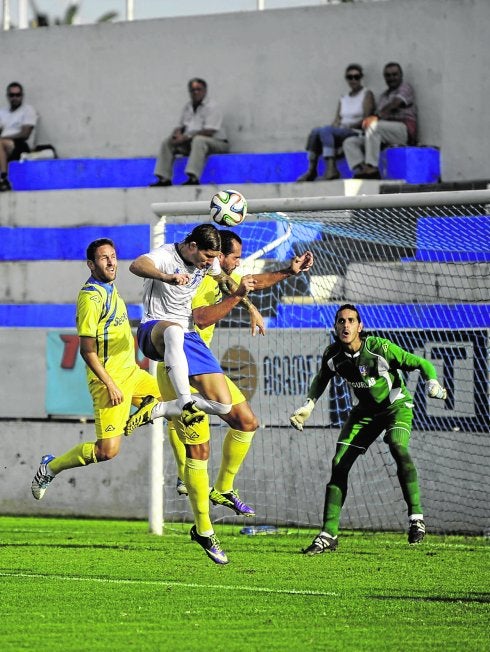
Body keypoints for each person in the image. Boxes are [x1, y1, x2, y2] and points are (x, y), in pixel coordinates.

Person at [125, 228, 313, 564]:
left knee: (240, 416)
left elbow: (245, 283)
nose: (231, 264)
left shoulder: (212, 268)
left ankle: (216, 478)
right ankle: (205, 529)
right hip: (172, 352)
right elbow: (198, 315)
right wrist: (178, 279)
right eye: (232, 257)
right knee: (200, 449)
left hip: (195, 352)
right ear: (206, 251)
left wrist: (287, 272)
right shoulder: (180, 263)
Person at [289, 304, 447, 555]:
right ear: (335, 326)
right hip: (364, 414)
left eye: (351, 320)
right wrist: (309, 404)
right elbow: (321, 378)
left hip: (396, 407)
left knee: (397, 445)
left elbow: (421, 363)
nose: (346, 325)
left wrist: (433, 382)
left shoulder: (379, 348)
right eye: (341, 321)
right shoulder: (334, 356)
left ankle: (416, 517)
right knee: (339, 463)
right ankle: (328, 534)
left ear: (360, 327)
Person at [30, 238, 163, 501]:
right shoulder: (90, 298)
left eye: (113, 256)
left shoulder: (111, 288)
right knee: (107, 451)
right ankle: (50, 467)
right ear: (91, 264)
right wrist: (111, 385)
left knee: (176, 401)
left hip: (132, 373)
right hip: (110, 381)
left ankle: (183, 477)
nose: (112, 262)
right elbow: (87, 350)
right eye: (104, 258)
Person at [297, 64, 375, 182]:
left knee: (326, 130)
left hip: (355, 131)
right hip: (341, 131)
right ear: (346, 79)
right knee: (316, 131)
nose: (353, 80)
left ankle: (331, 168)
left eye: (356, 77)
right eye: (350, 77)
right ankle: (312, 169)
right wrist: (330, 130)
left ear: (361, 78)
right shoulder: (343, 98)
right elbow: (337, 120)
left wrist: (347, 126)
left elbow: (367, 119)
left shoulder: (366, 94)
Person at [343, 62, 417, 179]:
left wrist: (376, 117)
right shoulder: (383, 96)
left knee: (374, 126)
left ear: (401, 75)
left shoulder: (405, 88)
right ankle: (362, 169)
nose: (391, 78)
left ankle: (372, 167)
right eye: (388, 75)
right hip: (384, 134)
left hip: (404, 131)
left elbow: (394, 105)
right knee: (350, 142)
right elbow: (377, 115)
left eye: (394, 74)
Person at [149, 78, 229, 187]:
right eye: (192, 90)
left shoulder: (213, 107)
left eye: (198, 89)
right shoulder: (188, 107)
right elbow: (181, 126)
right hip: (193, 144)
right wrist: (176, 134)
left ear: (205, 91)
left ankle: (193, 178)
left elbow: (209, 131)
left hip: (217, 143)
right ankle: (164, 178)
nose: (195, 92)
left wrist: (186, 137)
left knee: (199, 140)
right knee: (168, 142)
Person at [0, 81, 38, 192]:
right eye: (12, 95)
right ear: (8, 96)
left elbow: (25, 134)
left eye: (18, 95)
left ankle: (4, 178)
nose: (15, 98)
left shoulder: (28, 110)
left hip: (20, 145)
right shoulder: (3, 112)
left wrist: (4, 138)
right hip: (4, 145)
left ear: (22, 96)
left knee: (0, 143)